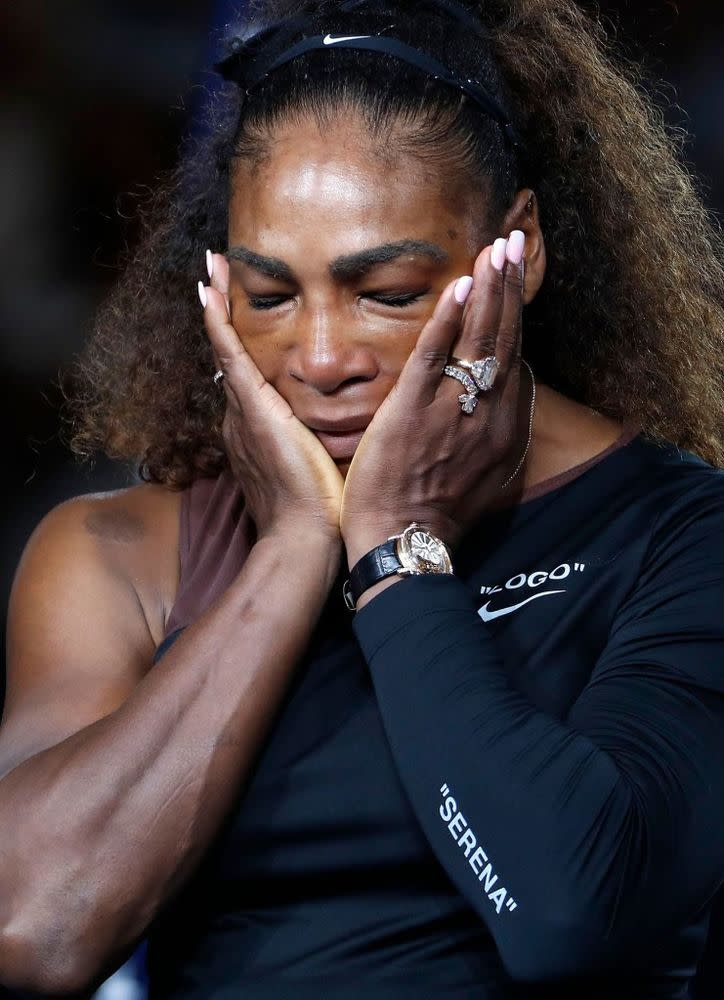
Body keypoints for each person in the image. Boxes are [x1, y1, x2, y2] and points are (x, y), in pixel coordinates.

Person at [1, 0, 723, 996]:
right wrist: (296, 547)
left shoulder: (680, 535)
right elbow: (33, 930)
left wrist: (392, 549)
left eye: (384, 291)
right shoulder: (120, 555)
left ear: (517, 249)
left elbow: (574, 924)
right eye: (268, 296)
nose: (321, 357)